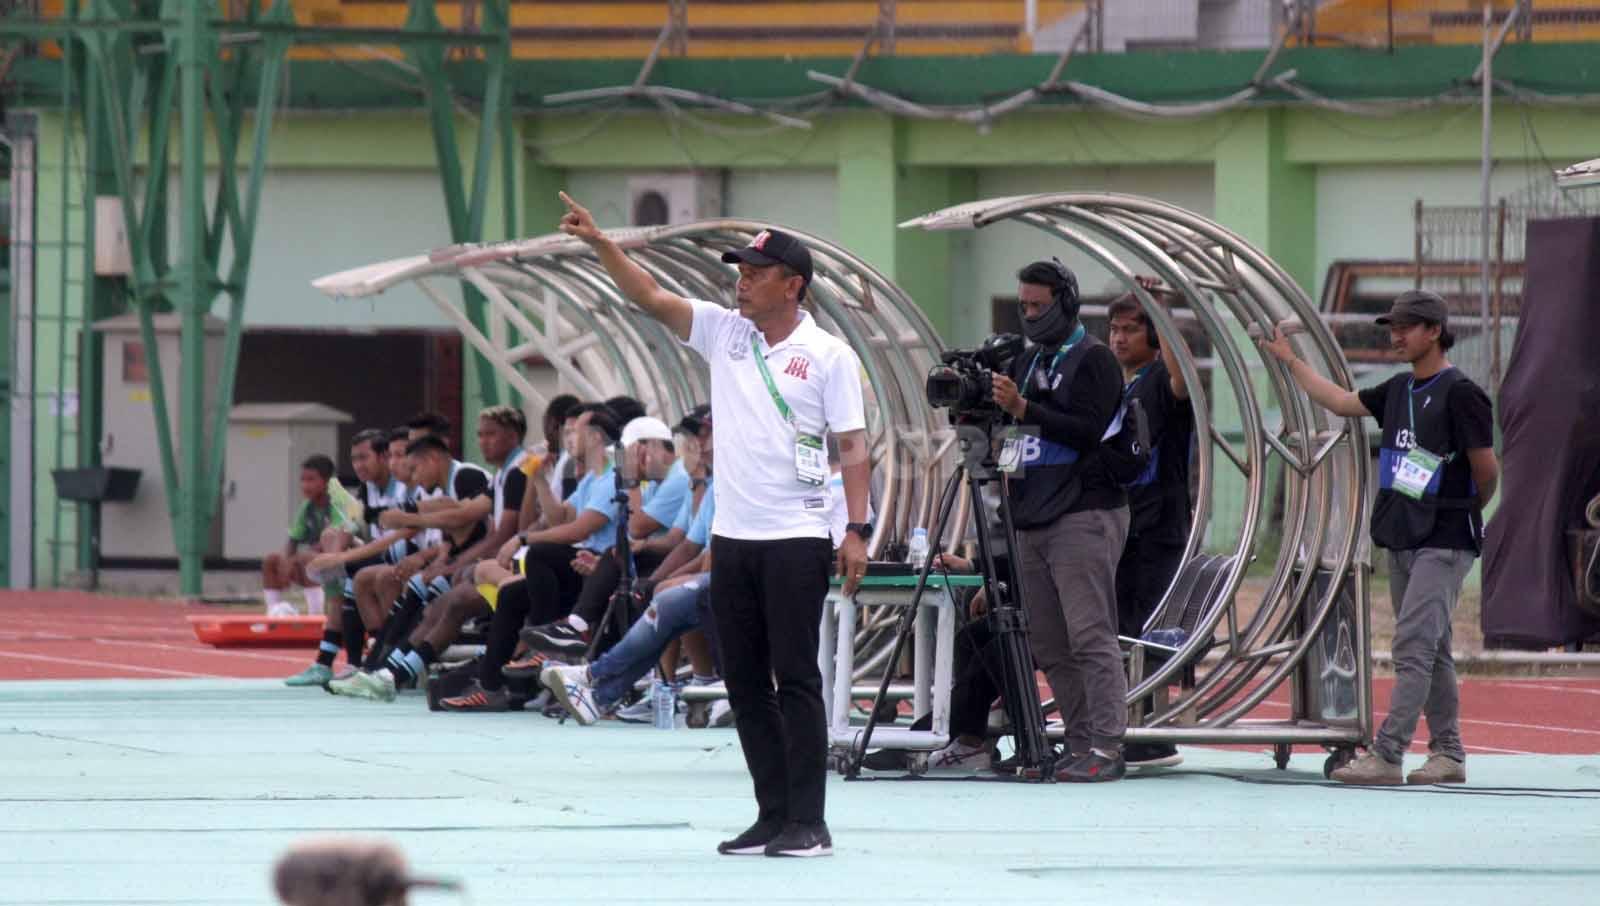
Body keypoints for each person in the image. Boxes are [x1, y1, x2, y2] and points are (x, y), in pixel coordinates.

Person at [559, 193, 869, 859]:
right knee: (746, 680)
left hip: (797, 537)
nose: (742, 281)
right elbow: (649, 295)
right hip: (735, 538)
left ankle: (809, 823)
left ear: (794, 285)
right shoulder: (726, 332)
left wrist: (857, 531)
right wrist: (600, 243)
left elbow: (853, 449)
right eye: (740, 271)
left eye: (755, 274)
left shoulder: (828, 356)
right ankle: (771, 814)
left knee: (797, 677)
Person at [1259, 290, 1498, 785]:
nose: (1396, 335)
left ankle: (1388, 753)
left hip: (1446, 536)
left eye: (1407, 326)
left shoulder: (1462, 394)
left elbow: (1486, 471)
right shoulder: (1396, 390)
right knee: (1432, 649)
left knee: (1412, 644)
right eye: (1393, 326)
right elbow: (1341, 401)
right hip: (1404, 534)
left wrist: (1462, 509)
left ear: (1434, 331)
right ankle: (1448, 753)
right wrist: (1290, 361)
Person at [991, 258, 1130, 782]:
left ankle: (1107, 745)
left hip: (1083, 512)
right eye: (1023, 306)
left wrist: (1025, 408)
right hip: (1032, 514)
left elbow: (1089, 429)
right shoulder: (1028, 360)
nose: (1029, 315)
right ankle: (1077, 741)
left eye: (1038, 306)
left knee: (1090, 634)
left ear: (1066, 303)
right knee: (1049, 641)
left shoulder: (1093, 359)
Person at [1105, 279, 1195, 769]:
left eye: (1130, 330)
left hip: (1158, 525)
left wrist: (1161, 310)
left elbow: (1183, 383)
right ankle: (1125, 721)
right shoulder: (1116, 386)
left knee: (1148, 627)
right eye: (1114, 329)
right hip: (1119, 523)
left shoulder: (1161, 378)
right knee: (1117, 626)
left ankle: (1152, 733)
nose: (1119, 339)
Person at [262, 455, 359, 618]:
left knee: (309, 560)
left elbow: (333, 541)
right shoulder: (308, 506)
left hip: (349, 562)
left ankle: (316, 615)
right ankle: (273, 612)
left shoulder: (340, 502)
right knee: (271, 560)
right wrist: (286, 562)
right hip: (323, 562)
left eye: (311, 480)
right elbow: (293, 540)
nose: (305, 485)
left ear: (328, 481)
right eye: (303, 480)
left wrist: (295, 560)